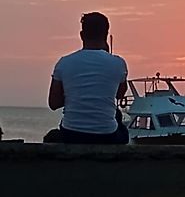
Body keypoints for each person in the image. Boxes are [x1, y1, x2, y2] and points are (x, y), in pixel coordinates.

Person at [45, 12, 129, 144]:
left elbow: (53, 103)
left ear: (82, 35)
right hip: (107, 135)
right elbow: (119, 94)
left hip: (71, 133)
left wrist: (74, 94)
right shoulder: (118, 63)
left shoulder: (64, 63)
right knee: (120, 124)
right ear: (106, 35)